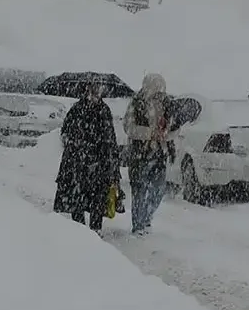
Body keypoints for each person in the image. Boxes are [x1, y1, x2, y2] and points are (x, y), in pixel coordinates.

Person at [53, 80, 123, 235]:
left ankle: (96, 229)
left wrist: (110, 159)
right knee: (76, 196)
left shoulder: (104, 110)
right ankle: (79, 229)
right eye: (93, 88)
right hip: (77, 161)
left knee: (98, 197)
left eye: (99, 88)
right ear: (87, 90)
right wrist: (76, 143)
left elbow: (110, 137)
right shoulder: (77, 108)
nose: (96, 92)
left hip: (99, 162)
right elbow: (65, 132)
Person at [123, 73, 176, 235]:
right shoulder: (137, 103)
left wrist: (166, 133)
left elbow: (175, 127)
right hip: (140, 153)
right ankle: (138, 225)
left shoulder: (167, 104)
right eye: (156, 86)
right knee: (139, 190)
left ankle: (146, 217)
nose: (159, 91)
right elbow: (128, 127)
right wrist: (149, 133)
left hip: (159, 153)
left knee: (158, 190)